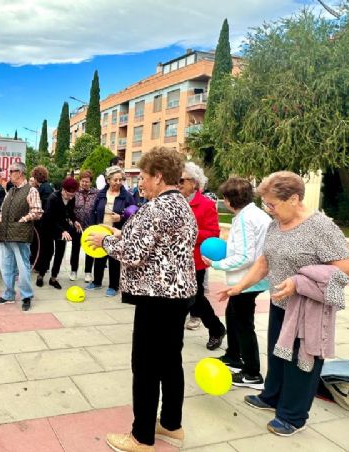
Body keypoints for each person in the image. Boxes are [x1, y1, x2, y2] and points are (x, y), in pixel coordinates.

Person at [220, 171, 349, 437]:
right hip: (280, 304)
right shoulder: (276, 224)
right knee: (277, 355)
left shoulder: (320, 227)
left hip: (308, 309)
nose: (269, 210)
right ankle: (272, 397)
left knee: (300, 361)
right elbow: (264, 261)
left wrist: (299, 281)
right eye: (266, 205)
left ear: (294, 199)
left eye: (272, 204)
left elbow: (348, 267)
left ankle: (293, 416)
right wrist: (239, 287)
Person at [87, 146, 197, 451]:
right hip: (177, 294)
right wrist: (124, 234)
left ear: (159, 177)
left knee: (146, 367)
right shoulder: (180, 204)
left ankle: (141, 437)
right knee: (170, 363)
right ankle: (171, 425)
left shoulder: (157, 207)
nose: (141, 184)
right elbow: (160, 244)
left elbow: (134, 255)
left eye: (145, 177)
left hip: (156, 297)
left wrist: (105, 240)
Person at [203, 178, 272, 389]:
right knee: (233, 317)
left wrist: (216, 264)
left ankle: (252, 373)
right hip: (251, 278)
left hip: (246, 280)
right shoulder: (256, 214)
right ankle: (233, 356)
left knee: (243, 325)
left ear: (229, 200)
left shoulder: (244, 219)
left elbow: (245, 256)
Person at [179, 161, 226, 350]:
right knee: (184, 297)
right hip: (175, 259)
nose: (178, 183)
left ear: (194, 183)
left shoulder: (206, 204)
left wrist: (190, 232)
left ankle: (216, 329)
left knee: (195, 298)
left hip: (194, 260)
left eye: (182, 180)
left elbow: (213, 233)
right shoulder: (175, 201)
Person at [0, 161, 43, 312]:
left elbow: (37, 211)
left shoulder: (31, 190)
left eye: (11, 171)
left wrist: (23, 220)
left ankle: (26, 296)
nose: (8, 174)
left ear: (20, 173)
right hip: (5, 234)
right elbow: (3, 210)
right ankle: (9, 294)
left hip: (21, 234)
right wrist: (1, 220)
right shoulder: (11, 191)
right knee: (6, 266)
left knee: (23, 268)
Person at [87, 165, 134, 297]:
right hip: (101, 229)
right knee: (99, 257)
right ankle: (96, 282)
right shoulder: (101, 194)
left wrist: (121, 216)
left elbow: (134, 212)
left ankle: (113, 286)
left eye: (121, 180)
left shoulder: (127, 196)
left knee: (114, 260)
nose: (118, 182)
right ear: (108, 180)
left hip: (116, 233)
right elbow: (93, 211)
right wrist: (91, 227)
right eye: (115, 180)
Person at [35, 177, 81, 290]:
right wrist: (62, 231)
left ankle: (54, 278)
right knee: (47, 252)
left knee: (60, 253)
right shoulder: (53, 198)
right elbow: (50, 218)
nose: (71, 197)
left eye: (73, 195)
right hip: (48, 226)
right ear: (63, 190)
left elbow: (70, 211)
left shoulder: (72, 198)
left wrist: (75, 221)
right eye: (69, 194)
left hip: (62, 227)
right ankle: (40, 275)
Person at [70, 170, 99, 282]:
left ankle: (88, 272)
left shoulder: (96, 193)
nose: (84, 184)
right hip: (77, 226)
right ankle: (74, 271)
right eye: (82, 181)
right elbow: (70, 209)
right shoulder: (75, 192)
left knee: (89, 250)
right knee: (75, 249)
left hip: (90, 226)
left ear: (91, 182)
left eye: (87, 182)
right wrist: (74, 220)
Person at [29, 165, 54, 267]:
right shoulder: (47, 187)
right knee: (44, 245)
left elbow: (42, 206)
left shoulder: (42, 189)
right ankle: (42, 265)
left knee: (41, 244)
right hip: (47, 221)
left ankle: (40, 265)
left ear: (36, 178)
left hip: (42, 222)